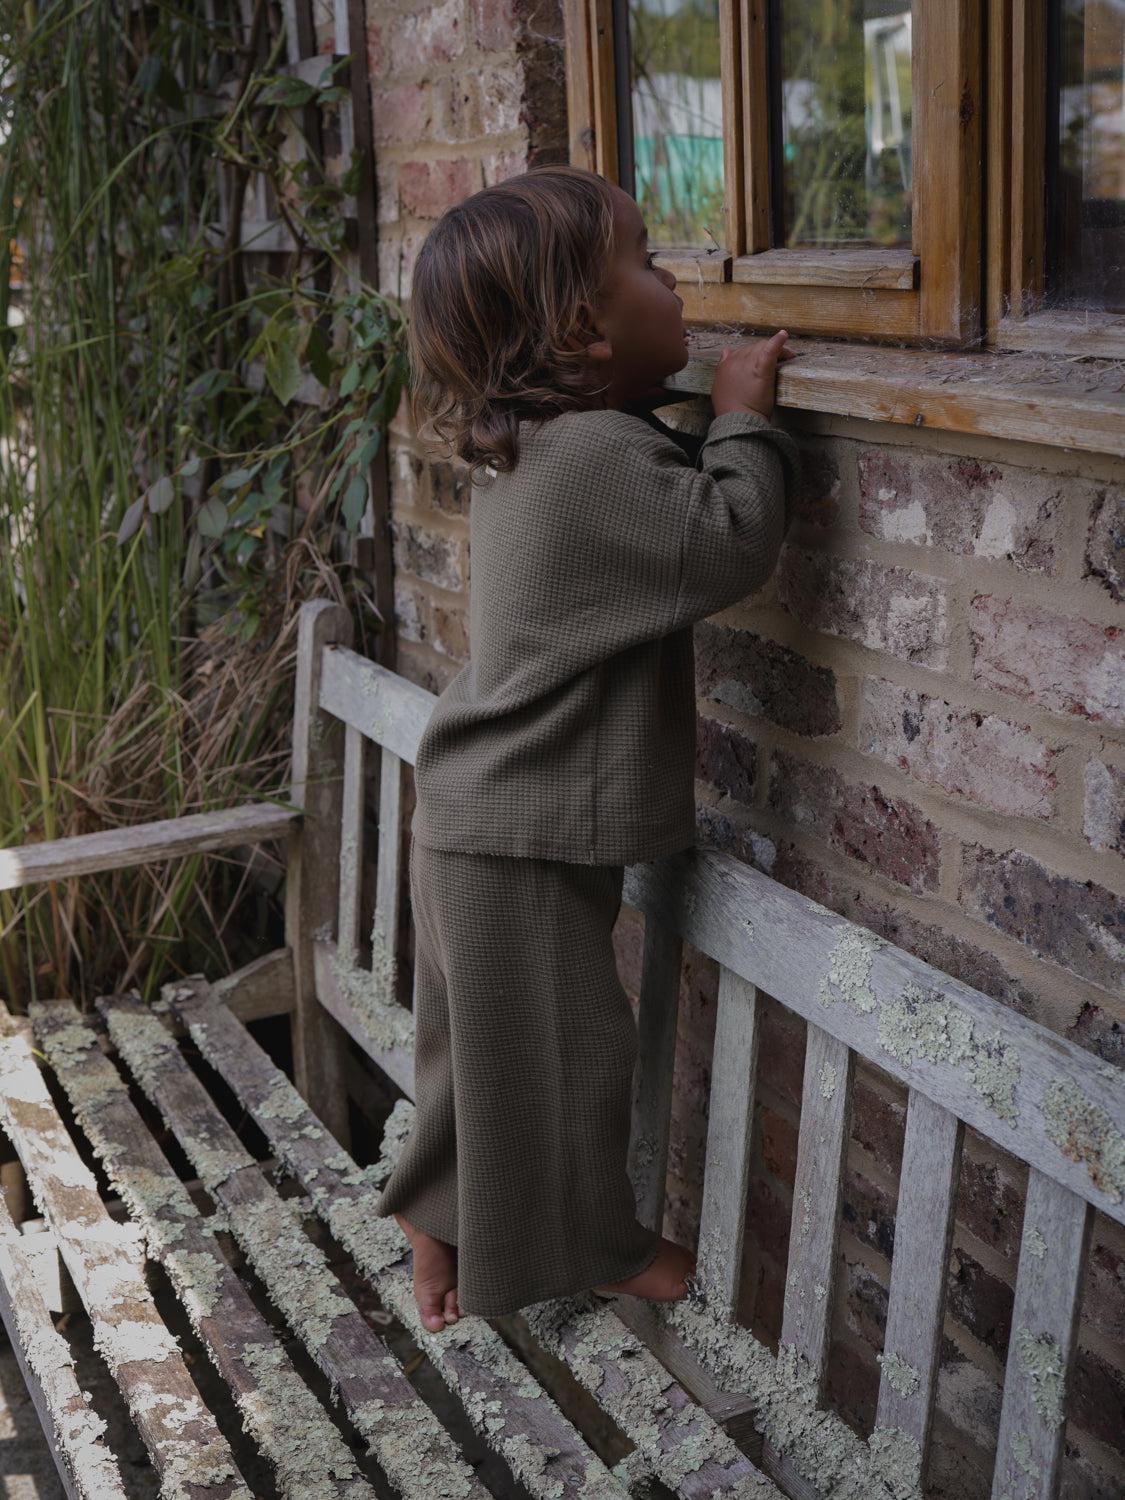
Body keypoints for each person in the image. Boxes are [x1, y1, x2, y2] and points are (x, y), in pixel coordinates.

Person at [376, 164, 797, 1333]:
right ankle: (596, 1247)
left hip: (483, 815)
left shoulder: (550, 450)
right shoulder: (594, 458)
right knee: (565, 1057)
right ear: (582, 325)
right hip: (518, 830)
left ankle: (435, 1211)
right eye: (650, 262)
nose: (672, 281)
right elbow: (726, 538)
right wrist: (744, 415)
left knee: (481, 1053)